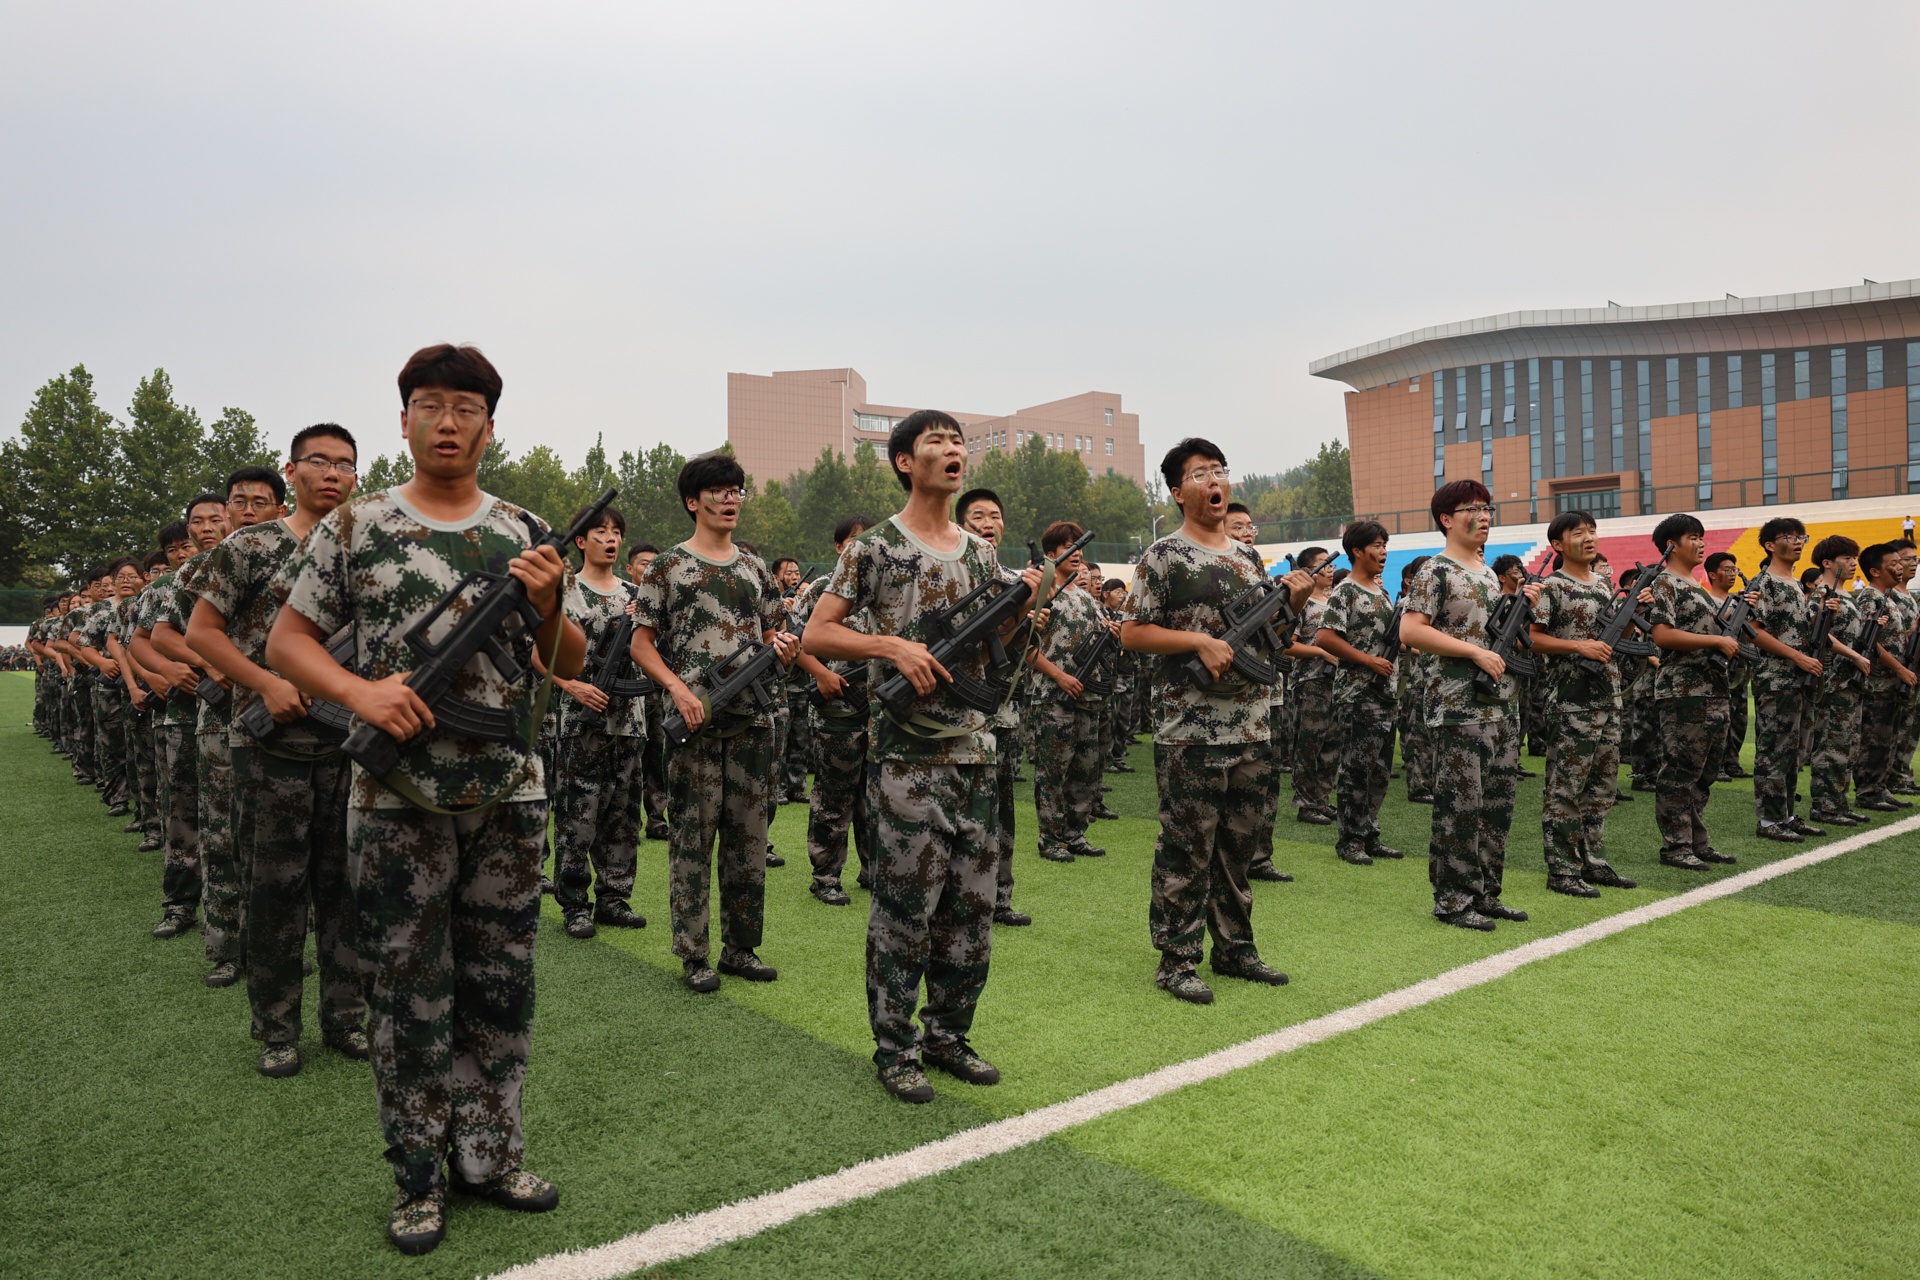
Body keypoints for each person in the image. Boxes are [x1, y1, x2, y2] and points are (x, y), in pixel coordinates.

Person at [269, 343, 584, 1254]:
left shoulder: (525, 530)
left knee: (501, 984)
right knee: (408, 993)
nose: (449, 423)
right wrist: (360, 694)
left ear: (491, 425)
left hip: (507, 795)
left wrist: (551, 603)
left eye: (467, 408)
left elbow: (563, 662)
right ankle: (417, 1177)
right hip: (396, 796)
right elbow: (289, 642)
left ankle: (491, 1155)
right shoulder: (357, 525)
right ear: (403, 420)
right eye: (431, 406)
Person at [804, 410, 1042, 1101]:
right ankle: (895, 1047)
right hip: (907, 759)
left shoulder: (981, 555)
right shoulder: (875, 547)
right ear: (906, 461)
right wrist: (890, 646)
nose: (953, 450)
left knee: (971, 911)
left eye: (958, 442)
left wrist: (1026, 607)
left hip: (976, 755)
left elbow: (997, 649)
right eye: (937, 441)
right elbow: (817, 634)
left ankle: (948, 1035)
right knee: (905, 911)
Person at [187, 423, 369, 1075]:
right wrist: (265, 682)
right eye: (319, 461)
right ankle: (277, 1029)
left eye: (345, 464)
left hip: (349, 745)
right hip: (270, 746)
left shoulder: (365, 549)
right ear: (292, 472)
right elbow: (201, 632)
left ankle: (346, 1018)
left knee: (347, 889)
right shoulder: (249, 546)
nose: (333, 473)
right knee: (274, 891)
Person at [1120, 438, 1310, 1003]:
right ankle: (1177, 959)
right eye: (1200, 473)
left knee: (1238, 845)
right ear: (1178, 492)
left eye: (1220, 470)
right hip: (1190, 727)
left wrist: (1295, 604)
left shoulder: (1248, 558)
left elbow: (1272, 641)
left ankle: (1234, 948)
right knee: (1187, 845)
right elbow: (1132, 633)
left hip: (1252, 724)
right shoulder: (1164, 556)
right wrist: (1197, 641)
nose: (1215, 480)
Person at [630, 451, 796, 993]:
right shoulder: (668, 567)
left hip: (752, 722)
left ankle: (740, 949)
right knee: (692, 841)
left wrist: (785, 647)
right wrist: (676, 688)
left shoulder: (753, 567)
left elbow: (772, 634)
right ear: (692, 501)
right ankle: (694, 954)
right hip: (694, 723)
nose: (730, 500)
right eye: (719, 491)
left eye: (736, 490)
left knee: (749, 840)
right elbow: (641, 644)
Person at [156, 466, 288, 987]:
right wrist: (210, 663)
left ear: (279, 508)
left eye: (259, 502)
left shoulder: (302, 554)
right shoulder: (199, 569)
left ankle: (273, 946)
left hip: (291, 713)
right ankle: (227, 946)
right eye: (239, 502)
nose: (247, 511)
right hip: (222, 720)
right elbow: (165, 633)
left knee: (276, 838)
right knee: (220, 835)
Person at [1399, 480, 1541, 931]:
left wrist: (1521, 606)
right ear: (1446, 519)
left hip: (1501, 705)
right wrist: (1473, 653)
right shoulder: (1436, 571)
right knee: (1460, 806)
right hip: (1459, 705)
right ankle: (1454, 899)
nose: (1483, 517)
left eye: (1487, 509)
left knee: (1497, 807)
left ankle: (1486, 892)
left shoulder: (1486, 573)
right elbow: (1411, 631)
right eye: (1472, 509)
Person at [130, 493, 230, 940]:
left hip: (241, 709)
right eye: (196, 524)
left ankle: (240, 919)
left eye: (215, 519)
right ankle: (181, 903)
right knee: (183, 810)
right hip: (186, 712)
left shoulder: (248, 566)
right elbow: (142, 640)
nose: (203, 532)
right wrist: (166, 670)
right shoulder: (169, 585)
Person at [1526, 511, 1637, 896]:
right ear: (1558, 544)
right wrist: (1578, 646)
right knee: (1566, 786)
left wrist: (1635, 612)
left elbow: (1621, 637)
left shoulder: (1604, 585)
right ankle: (1562, 869)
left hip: (1608, 697)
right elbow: (1532, 638)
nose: (1589, 537)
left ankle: (1594, 861)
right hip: (1571, 701)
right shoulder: (1551, 586)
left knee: (1602, 787)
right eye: (1578, 533)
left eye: (1592, 531)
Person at [1643, 513, 1743, 870]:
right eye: (1693, 537)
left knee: (1705, 773)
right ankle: (1676, 846)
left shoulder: (1696, 586)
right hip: (1684, 691)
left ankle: (1696, 841)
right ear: (1672, 545)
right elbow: (1662, 635)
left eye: (1702, 537)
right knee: (1680, 771)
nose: (1701, 543)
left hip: (1712, 690)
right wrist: (1716, 640)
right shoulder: (1664, 582)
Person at [792, 513, 879, 907]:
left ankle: (874, 870)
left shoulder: (884, 590)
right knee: (833, 798)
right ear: (839, 546)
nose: (862, 548)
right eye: (854, 540)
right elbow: (793, 639)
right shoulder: (822, 590)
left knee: (876, 798)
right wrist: (821, 674)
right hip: (837, 712)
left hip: (880, 711)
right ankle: (825, 875)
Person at [954, 490, 1031, 925]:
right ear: (961, 525)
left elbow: (1014, 653)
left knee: (1000, 809)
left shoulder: (1015, 582)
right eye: (978, 516)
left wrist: (1026, 620)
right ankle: (959, 900)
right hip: (953, 715)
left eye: (995, 516)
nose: (988, 523)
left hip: (999, 712)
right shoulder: (950, 573)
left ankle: (999, 897)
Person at [1313, 520, 1403, 866]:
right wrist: (1368, 660)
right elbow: (1325, 637)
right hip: (1359, 694)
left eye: (1385, 545)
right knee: (1357, 769)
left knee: (1379, 770)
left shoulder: (1381, 593)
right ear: (1357, 551)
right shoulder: (1346, 591)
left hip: (1385, 694)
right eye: (1377, 545)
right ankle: (1350, 840)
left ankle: (1369, 833)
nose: (1383, 552)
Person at [1028, 522, 1113, 863]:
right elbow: (1025, 647)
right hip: (1054, 695)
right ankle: (1050, 838)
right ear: (1051, 555)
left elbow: (1102, 634)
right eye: (1068, 547)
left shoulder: (1086, 597)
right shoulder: (1044, 593)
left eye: (1079, 546)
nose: (1077, 553)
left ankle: (1074, 834)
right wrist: (1060, 676)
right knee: (1052, 771)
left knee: (1085, 770)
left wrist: (1112, 631)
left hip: (1087, 696)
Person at [1745, 517, 1833, 842]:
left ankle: (1787, 814)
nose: (1798, 541)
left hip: (1801, 677)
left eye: (1801, 536)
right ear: (1770, 545)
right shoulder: (1763, 582)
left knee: (1795, 750)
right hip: (1776, 678)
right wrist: (1796, 656)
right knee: (1775, 749)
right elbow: (1753, 630)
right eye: (1790, 536)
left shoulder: (1796, 584)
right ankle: (1769, 820)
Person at [1225, 506, 1293, 882]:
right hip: (1228, 695)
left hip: (1267, 693)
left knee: (1266, 777)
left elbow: (1280, 633)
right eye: (1238, 526)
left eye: (1251, 527)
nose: (1247, 532)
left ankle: (1260, 855)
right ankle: (1231, 859)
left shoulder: (1262, 577)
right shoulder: (1218, 575)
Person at [1805, 536, 1874, 827]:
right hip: (1834, 681)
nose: (1853, 563)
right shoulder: (1823, 592)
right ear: (1827, 563)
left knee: (1848, 744)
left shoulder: (1846, 595)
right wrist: (1854, 656)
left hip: (1850, 683)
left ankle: (1838, 802)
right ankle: (1825, 806)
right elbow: (1818, 632)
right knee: (1831, 745)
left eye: (1854, 557)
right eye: (1847, 558)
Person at [1851, 543, 1916, 812]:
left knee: (1888, 737)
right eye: (1894, 563)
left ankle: (1880, 787)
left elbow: (1894, 639)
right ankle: (1867, 791)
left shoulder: (1887, 597)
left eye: (1901, 562)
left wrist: (1913, 629)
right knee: (1874, 738)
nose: (1900, 567)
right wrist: (1900, 668)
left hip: (1891, 682)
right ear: (1875, 571)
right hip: (1878, 681)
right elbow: (1870, 641)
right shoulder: (1870, 597)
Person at [1285, 547, 1339, 824]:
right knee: (1309, 746)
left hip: (1335, 683)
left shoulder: (1335, 603)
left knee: (1331, 745)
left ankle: (1321, 801)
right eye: (1324, 564)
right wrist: (1320, 652)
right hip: (1310, 683)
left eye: (1331, 564)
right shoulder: (1302, 605)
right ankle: (1306, 804)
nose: (1330, 569)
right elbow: (1286, 646)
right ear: (1309, 571)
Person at [624, 542, 671, 841]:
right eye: (644, 563)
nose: (650, 568)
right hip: (628, 693)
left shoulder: (667, 600)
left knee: (657, 755)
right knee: (631, 758)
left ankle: (657, 819)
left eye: (656, 563)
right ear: (630, 568)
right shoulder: (621, 596)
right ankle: (628, 823)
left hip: (658, 689)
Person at [1703, 552, 1752, 780]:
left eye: (1735, 570)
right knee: (1718, 719)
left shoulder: (1738, 601)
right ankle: (1717, 765)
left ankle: (1732, 762)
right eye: (1727, 570)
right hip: (1716, 668)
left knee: (1739, 718)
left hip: (1738, 668)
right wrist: (1735, 611)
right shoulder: (1706, 601)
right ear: (1713, 575)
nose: (1733, 574)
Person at [1396, 555, 1435, 803]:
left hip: (1436, 677)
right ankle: (1419, 786)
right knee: (1418, 733)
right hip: (1416, 676)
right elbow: (1398, 640)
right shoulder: (1407, 605)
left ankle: (1434, 782)